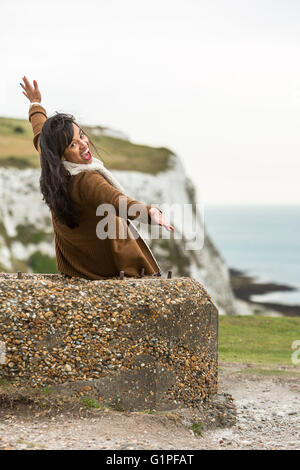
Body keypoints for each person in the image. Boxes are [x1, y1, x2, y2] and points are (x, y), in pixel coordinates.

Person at [20, 76, 174, 280]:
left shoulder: (53, 164)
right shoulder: (86, 180)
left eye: (81, 135)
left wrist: (35, 104)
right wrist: (150, 212)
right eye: (73, 145)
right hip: (107, 267)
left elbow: (40, 134)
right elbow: (118, 202)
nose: (84, 144)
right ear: (62, 153)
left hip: (76, 266)